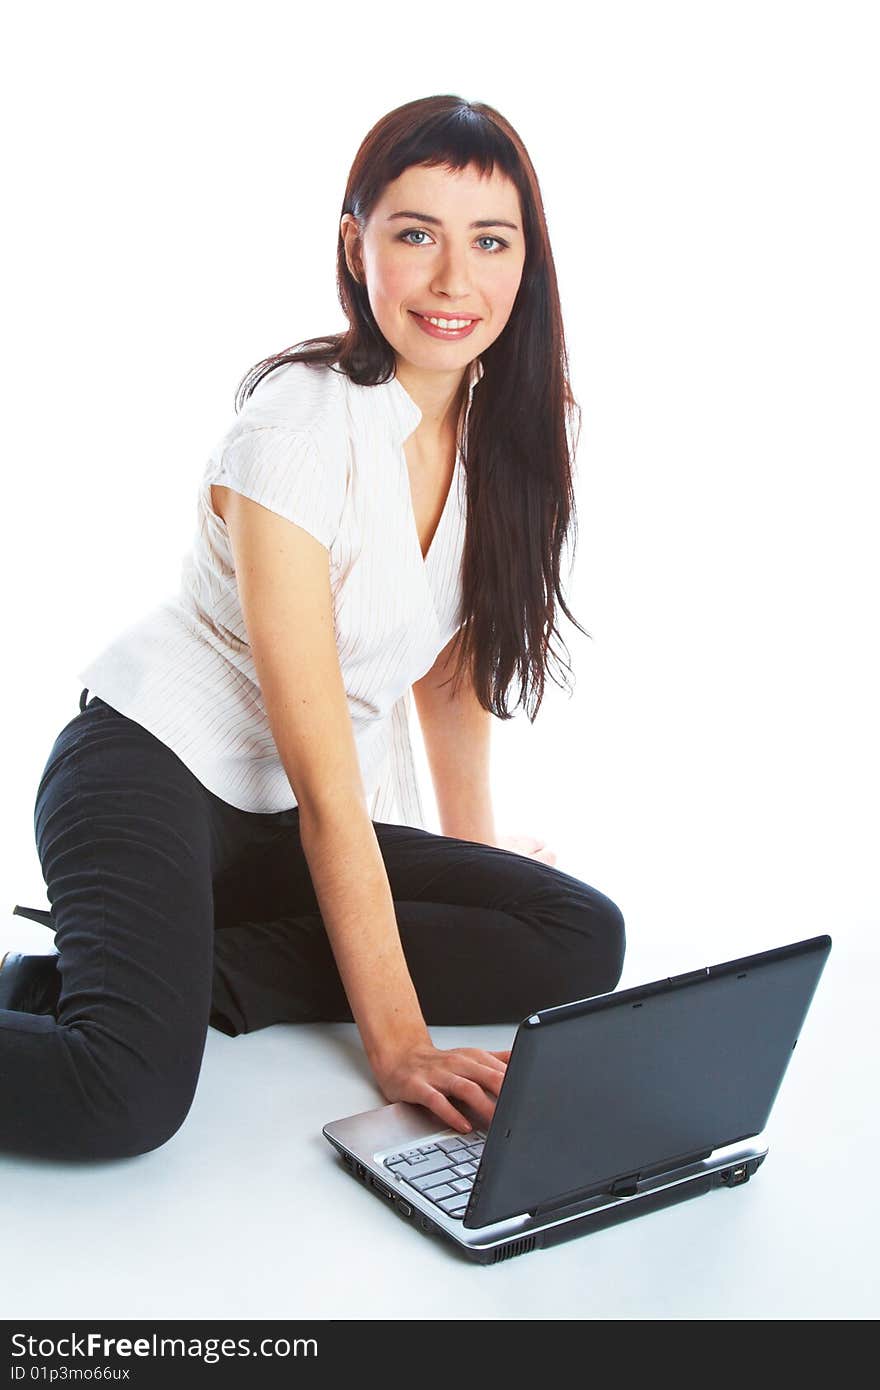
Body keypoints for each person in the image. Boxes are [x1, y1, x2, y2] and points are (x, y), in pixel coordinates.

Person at [0, 94, 625, 1162]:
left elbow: (445, 680)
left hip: (271, 826)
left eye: (489, 241)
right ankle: (139, 986)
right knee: (123, 1095)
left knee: (576, 934)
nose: (452, 280)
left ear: (529, 260)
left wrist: (468, 865)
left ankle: (157, 967)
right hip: (148, 771)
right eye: (414, 234)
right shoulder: (295, 426)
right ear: (356, 245)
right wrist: (399, 1043)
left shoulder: (504, 435)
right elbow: (329, 781)